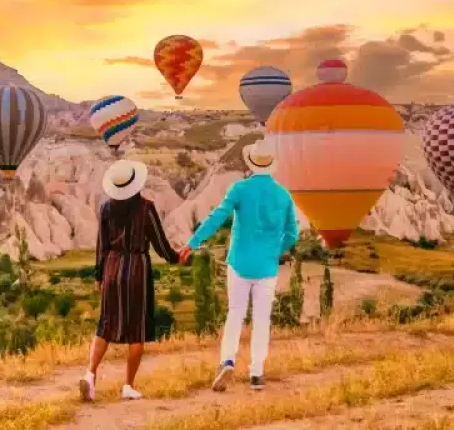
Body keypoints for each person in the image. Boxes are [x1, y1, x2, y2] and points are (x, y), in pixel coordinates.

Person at [180, 139, 298, 392]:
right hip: (267, 268)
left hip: (239, 263)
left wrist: (193, 242)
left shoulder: (239, 189)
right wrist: (273, 252)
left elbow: (217, 216)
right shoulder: (283, 195)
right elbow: (292, 235)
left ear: (251, 163)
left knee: (235, 313)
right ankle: (256, 373)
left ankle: (228, 361)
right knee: (262, 318)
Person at [80, 159, 182, 402]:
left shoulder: (106, 208)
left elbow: (101, 245)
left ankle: (90, 375)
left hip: (112, 269)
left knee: (105, 324)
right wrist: (176, 258)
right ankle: (128, 385)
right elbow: (159, 243)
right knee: (137, 329)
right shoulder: (146, 208)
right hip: (137, 270)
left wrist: (99, 275)